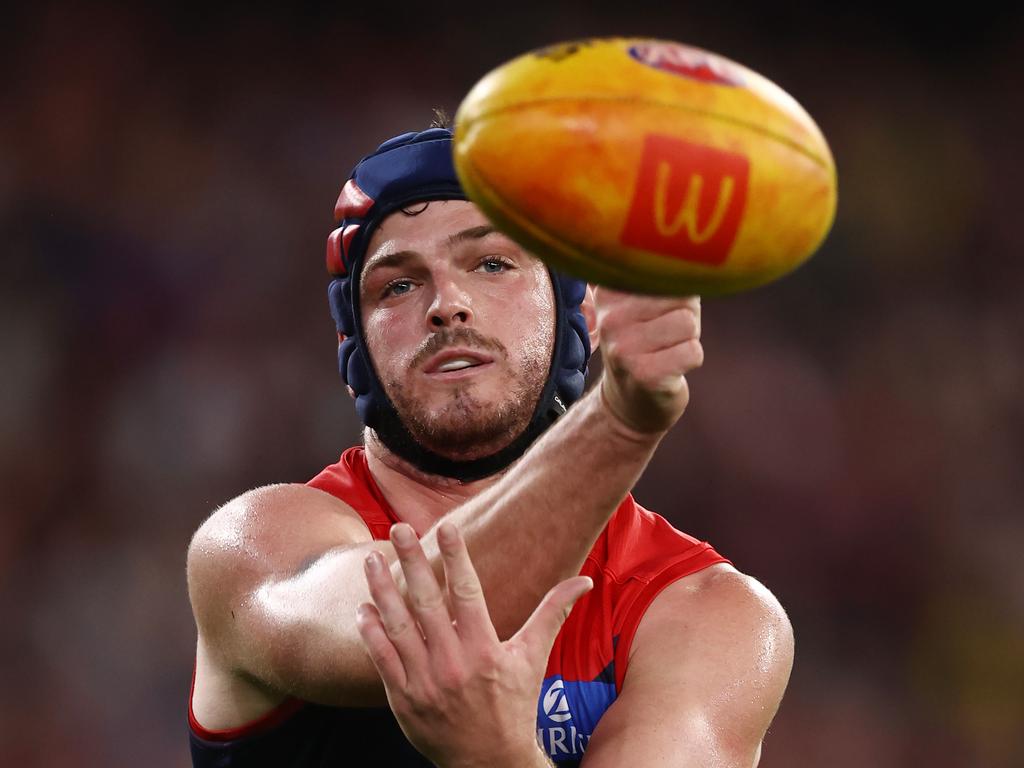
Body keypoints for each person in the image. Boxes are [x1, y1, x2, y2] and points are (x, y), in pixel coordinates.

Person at [186, 125, 794, 767]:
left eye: (493, 263)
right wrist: (619, 423)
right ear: (354, 343)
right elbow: (410, 624)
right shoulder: (256, 547)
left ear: (578, 312)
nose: (448, 304)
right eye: (397, 284)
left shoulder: (705, 613)